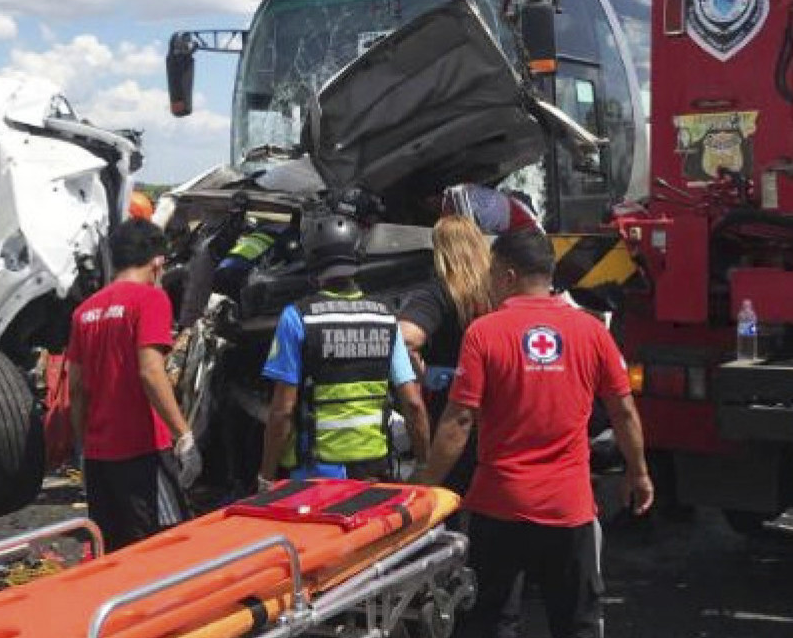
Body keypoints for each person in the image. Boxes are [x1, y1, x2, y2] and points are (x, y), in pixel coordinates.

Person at [416, 229, 653, 638]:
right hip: (569, 509)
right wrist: (639, 472)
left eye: (492, 274)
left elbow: (459, 422)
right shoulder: (591, 330)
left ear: (508, 275)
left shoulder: (485, 333)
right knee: (576, 624)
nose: (489, 283)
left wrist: (426, 487)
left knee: (492, 623)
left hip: (499, 506)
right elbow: (624, 411)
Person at [257, 213, 431, 487]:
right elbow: (413, 404)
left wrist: (266, 477)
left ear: (312, 261)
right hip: (373, 473)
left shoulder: (297, 317)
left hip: (316, 478)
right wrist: (423, 466)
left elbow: (282, 411)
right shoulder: (385, 318)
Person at [67, 219, 203, 551]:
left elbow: (77, 388)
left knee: (114, 553)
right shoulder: (150, 299)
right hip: (143, 452)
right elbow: (151, 372)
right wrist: (184, 436)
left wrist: (83, 447)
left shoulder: (84, 312)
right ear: (157, 262)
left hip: (99, 458)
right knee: (161, 549)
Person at [398, 215, 494, 496]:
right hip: (496, 411)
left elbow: (405, 338)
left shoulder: (437, 293)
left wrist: (420, 373)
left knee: (446, 499)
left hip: (450, 412)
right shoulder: (498, 292)